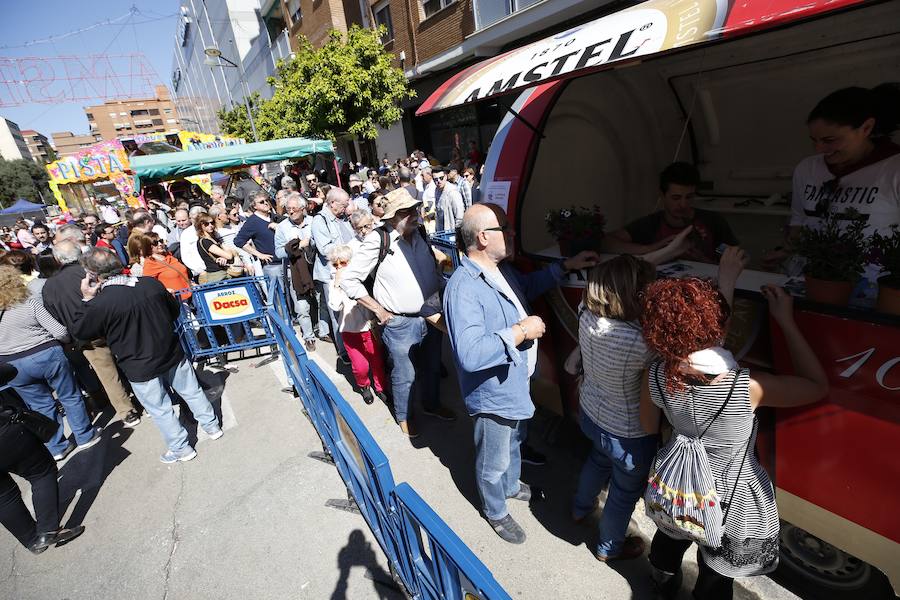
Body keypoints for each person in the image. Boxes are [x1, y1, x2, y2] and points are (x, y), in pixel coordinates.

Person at [638, 279, 828, 599]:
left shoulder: (656, 374)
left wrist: (727, 276)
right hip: (732, 497)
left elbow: (647, 426)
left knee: (670, 539)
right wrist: (785, 320)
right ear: (718, 324)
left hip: (677, 487)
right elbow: (816, 385)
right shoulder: (747, 387)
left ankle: (662, 583)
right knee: (716, 575)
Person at [443, 203, 598, 543]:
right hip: (493, 393)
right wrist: (521, 332)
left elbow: (526, 287)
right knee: (493, 457)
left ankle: (511, 486)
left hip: (514, 383)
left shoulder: (500, 270)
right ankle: (496, 510)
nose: (512, 235)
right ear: (483, 237)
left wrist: (566, 266)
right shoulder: (463, 287)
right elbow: (470, 354)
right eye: (505, 230)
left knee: (514, 441)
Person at [571, 241, 729, 562]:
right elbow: (707, 349)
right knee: (623, 494)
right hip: (628, 435)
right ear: (639, 298)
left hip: (590, 414)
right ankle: (608, 547)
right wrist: (726, 280)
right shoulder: (642, 343)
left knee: (597, 461)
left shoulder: (586, 313)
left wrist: (669, 248)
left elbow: (622, 277)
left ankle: (579, 508)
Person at [70, 248, 222, 463]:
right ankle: (212, 426)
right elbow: (173, 310)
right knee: (191, 392)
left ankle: (182, 448)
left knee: (161, 408)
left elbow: (80, 331)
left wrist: (86, 299)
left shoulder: (101, 302)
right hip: (168, 351)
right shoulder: (149, 283)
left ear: (94, 274)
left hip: (139, 363)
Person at [340, 187, 456, 437]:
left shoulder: (421, 232)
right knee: (406, 375)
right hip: (400, 323)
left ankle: (432, 405)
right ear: (392, 216)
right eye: (407, 211)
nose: (415, 214)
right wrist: (379, 310)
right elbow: (349, 280)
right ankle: (404, 416)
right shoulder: (378, 239)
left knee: (433, 366)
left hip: (432, 317)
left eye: (415, 209)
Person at [765, 84, 900, 271]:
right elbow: (799, 219)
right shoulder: (807, 168)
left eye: (830, 140)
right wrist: (788, 251)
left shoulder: (893, 168)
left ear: (866, 128)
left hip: (871, 287)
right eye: (814, 140)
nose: (819, 149)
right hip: (809, 278)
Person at [0, 265, 100, 461]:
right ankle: (84, 435)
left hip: (12, 365)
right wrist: (66, 343)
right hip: (45, 354)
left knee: (39, 405)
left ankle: (57, 446)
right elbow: (59, 331)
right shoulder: (29, 302)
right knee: (69, 396)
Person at [43, 241, 140, 428]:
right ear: (79, 253)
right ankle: (146, 400)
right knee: (129, 361)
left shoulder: (50, 287)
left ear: (57, 259)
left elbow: (54, 315)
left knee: (108, 375)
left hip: (84, 336)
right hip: (110, 325)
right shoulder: (88, 272)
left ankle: (127, 412)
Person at [0, 363, 85, 554]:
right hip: (5, 434)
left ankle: (32, 540)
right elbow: (8, 370)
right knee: (41, 472)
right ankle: (47, 530)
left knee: (3, 497)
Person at [602, 163, 738, 262]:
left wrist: (704, 261)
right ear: (662, 195)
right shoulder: (651, 224)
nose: (683, 204)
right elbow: (605, 242)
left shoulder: (713, 221)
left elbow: (736, 259)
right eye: (676, 198)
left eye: (689, 197)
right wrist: (653, 249)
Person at [327, 244, 388, 405]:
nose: (339, 267)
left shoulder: (361, 276)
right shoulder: (333, 282)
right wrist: (337, 284)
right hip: (350, 330)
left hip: (369, 327)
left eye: (343, 263)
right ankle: (364, 386)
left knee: (377, 361)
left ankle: (381, 388)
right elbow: (334, 305)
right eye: (335, 264)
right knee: (360, 366)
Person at [311, 188, 354, 361]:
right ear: (332, 203)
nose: (345, 208)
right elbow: (325, 249)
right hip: (331, 274)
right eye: (343, 205)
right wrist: (349, 251)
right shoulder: (319, 221)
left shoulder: (342, 218)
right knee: (337, 313)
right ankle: (344, 352)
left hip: (348, 270)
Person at [275, 194, 316, 349]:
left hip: (314, 267)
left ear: (302, 209)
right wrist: (297, 247)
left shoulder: (313, 222)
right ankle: (309, 337)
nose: (290, 212)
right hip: (296, 272)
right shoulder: (282, 227)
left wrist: (310, 243)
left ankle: (321, 329)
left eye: (294, 209)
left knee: (319, 301)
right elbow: (278, 253)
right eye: (288, 209)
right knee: (301, 306)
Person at [234, 191, 281, 292]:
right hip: (272, 266)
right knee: (279, 301)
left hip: (287, 262)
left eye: (267, 200)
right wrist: (259, 254)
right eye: (261, 202)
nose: (266, 203)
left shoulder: (275, 217)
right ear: (254, 206)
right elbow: (239, 241)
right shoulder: (252, 222)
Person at [141, 232, 192, 299]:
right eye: (155, 243)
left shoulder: (169, 256)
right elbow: (149, 286)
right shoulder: (150, 264)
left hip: (191, 294)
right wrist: (165, 291)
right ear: (148, 246)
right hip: (176, 301)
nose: (160, 244)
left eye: (161, 241)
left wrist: (191, 283)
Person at [195, 214, 235, 284]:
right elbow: (229, 256)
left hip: (223, 272)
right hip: (217, 275)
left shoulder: (214, 238)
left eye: (212, 222)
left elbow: (226, 255)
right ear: (200, 226)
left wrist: (224, 256)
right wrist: (227, 252)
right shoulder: (205, 241)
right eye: (206, 224)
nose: (210, 225)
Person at [433, 166, 465, 232]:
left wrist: (457, 234)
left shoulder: (453, 192)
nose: (438, 181)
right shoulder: (437, 190)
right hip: (440, 231)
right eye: (435, 179)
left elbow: (459, 216)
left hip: (451, 232)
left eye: (441, 178)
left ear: (446, 176)